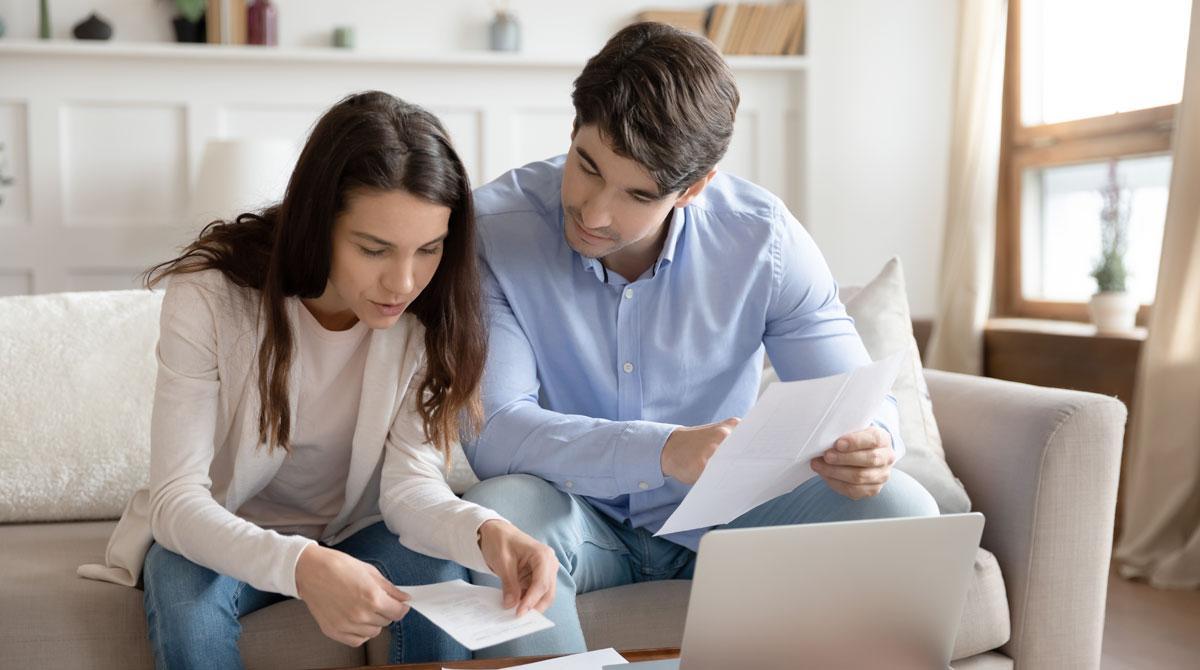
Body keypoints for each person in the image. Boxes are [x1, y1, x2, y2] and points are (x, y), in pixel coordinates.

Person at [460, 23, 939, 657]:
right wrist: (665, 450)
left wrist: (873, 442)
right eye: (588, 166)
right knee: (499, 511)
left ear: (694, 187)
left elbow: (853, 396)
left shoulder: (762, 240)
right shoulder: (493, 231)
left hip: (728, 519)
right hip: (572, 515)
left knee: (903, 510)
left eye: (637, 194)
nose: (595, 212)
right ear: (573, 130)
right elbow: (494, 433)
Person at [76, 91, 557, 669]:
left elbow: (410, 488)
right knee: (184, 592)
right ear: (318, 222)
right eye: (373, 249)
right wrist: (303, 565)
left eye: (428, 249)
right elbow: (178, 501)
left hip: (357, 530)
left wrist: (487, 532)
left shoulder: (430, 314)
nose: (403, 282)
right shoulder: (209, 296)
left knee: (440, 574)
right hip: (221, 529)